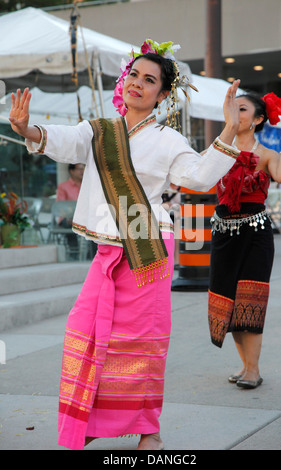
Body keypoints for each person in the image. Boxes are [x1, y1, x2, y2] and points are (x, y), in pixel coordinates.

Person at [9, 39, 241, 451]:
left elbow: (201, 177)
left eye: (149, 79)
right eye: (134, 74)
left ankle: (148, 429)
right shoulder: (100, 130)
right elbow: (64, 139)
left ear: (163, 94)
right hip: (107, 251)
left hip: (147, 251)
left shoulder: (168, 140)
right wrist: (28, 129)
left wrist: (227, 130)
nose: (137, 83)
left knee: (141, 342)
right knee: (87, 334)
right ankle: (97, 419)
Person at [208, 91, 281, 389]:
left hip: (255, 234)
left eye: (242, 109)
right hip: (223, 234)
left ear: (258, 119)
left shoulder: (267, 154)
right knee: (228, 302)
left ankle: (253, 370)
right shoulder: (219, 149)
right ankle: (245, 366)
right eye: (232, 107)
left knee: (250, 301)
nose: (236, 113)